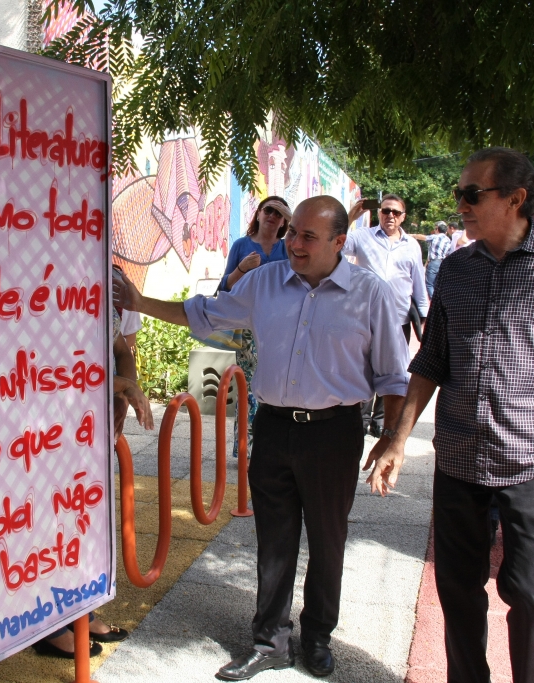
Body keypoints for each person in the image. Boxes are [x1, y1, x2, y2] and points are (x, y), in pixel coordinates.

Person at [114, 196, 410, 680]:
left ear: (339, 241)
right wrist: (140, 303)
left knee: (328, 538)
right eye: (292, 232)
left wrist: (391, 441)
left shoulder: (370, 294)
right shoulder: (265, 282)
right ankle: (269, 639)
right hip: (272, 428)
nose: (293, 242)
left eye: (307, 237)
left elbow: (392, 377)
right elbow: (205, 315)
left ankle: (316, 636)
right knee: (274, 538)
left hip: (334, 434)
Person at [367, 147, 534, 683]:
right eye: (460, 192)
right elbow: (431, 360)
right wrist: (395, 439)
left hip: (529, 463)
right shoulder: (455, 269)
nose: (459, 203)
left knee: (532, 598)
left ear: (515, 199)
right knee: (458, 595)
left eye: (470, 193)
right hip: (457, 460)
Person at [33, 287, 154, 659]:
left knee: (79, 522)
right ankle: (48, 626)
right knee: (49, 524)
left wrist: (120, 391)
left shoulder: (95, 285)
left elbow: (119, 348)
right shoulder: (42, 292)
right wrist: (120, 386)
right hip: (49, 427)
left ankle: (78, 611)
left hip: (88, 429)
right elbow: (54, 369)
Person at [343, 194, 428, 437]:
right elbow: (334, 243)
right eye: (386, 210)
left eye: (396, 213)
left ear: (403, 217)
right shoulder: (361, 237)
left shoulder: (411, 245)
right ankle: (362, 415)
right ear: (379, 212)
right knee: (362, 367)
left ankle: (380, 419)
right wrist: (350, 218)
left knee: (393, 370)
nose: (390, 216)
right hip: (363, 316)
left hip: (398, 319)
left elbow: (418, 283)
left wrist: (423, 315)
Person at [219, 196, 291, 460]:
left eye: (279, 212)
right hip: (250, 329)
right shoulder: (242, 245)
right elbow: (224, 288)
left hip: (284, 329)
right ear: (258, 214)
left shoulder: (288, 248)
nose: (272, 215)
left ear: (285, 221)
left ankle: (274, 446)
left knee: (280, 387)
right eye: (268, 210)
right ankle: (247, 449)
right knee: (249, 390)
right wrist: (242, 268)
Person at [413, 221, 453, 297]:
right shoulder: (449, 240)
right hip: (443, 263)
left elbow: (423, 237)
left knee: (429, 284)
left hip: (434, 262)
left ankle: (433, 302)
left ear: (437, 229)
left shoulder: (435, 236)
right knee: (436, 284)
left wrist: (412, 235)